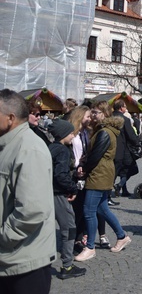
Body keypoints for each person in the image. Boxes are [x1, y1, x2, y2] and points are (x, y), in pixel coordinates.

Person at [0, 89, 56, 294]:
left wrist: (3, 236)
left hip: (24, 261)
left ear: (10, 118)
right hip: (9, 258)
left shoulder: (29, 149)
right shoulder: (6, 145)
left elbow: (32, 210)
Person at [74, 101, 132, 261]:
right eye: (92, 112)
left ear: (104, 114)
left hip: (99, 174)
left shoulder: (104, 132)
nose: (93, 115)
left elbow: (96, 155)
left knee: (89, 210)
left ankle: (90, 247)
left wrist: (84, 168)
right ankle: (121, 236)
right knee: (102, 209)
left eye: (96, 112)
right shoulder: (104, 130)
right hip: (103, 172)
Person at [47, 119, 87, 280]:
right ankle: (67, 265)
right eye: (71, 133)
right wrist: (73, 187)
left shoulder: (50, 148)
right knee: (69, 228)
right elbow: (60, 175)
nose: (73, 136)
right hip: (58, 195)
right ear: (64, 134)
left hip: (47, 193)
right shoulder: (62, 151)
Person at [111, 100, 139, 199]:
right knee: (131, 169)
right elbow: (131, 136)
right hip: (123, 149)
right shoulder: (124, 119)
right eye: (125, 106)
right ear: (121, 108)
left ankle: (124, 189)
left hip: (109, 149)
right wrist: (137, 143)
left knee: (117, 170)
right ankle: (118, 186)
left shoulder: (108, 118)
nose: (126, 108)